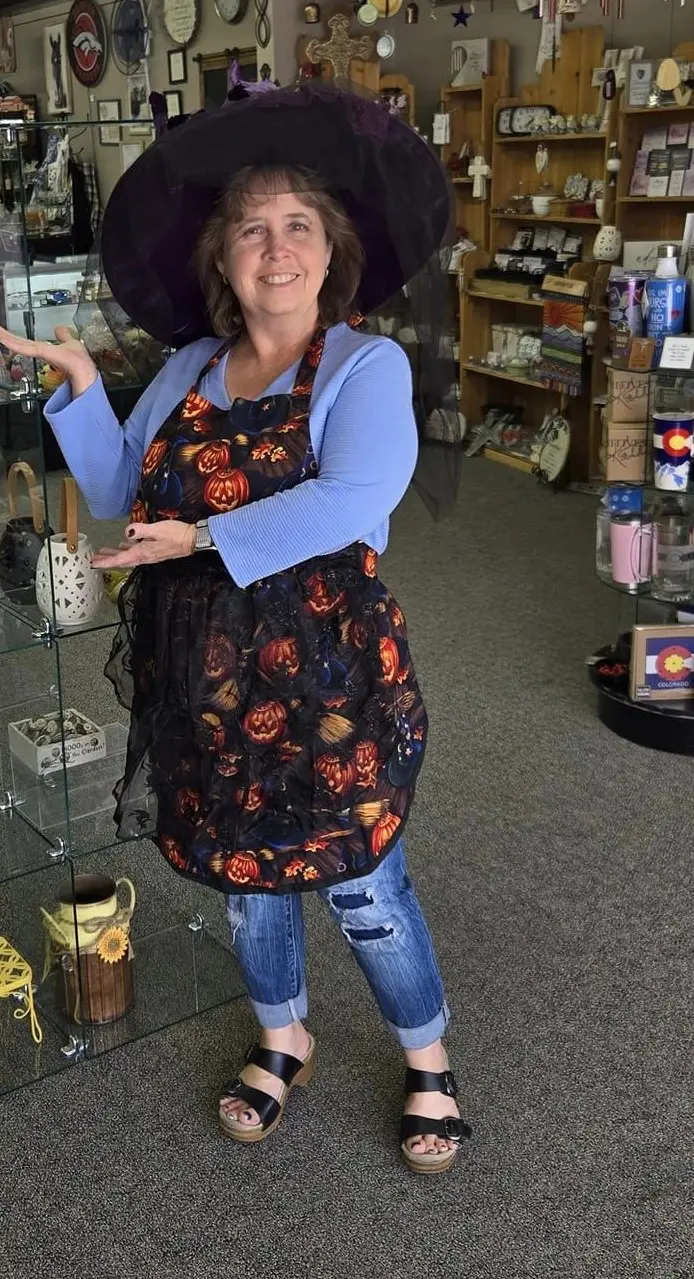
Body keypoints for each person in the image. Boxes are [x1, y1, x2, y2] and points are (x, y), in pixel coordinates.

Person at [0, 82, 469, 1174]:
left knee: (362, 883)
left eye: (298, 222)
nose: (276, 245)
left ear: (331, 246)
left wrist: (203, 539)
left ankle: (429, 1057)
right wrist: (78, 389)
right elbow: (126, 488)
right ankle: (282, 1036)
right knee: (247, 878)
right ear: (221, 254)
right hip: (207, 683)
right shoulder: (186, 369)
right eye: (251, 225)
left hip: (329, 683)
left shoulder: (364, 365)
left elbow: (352, 498)